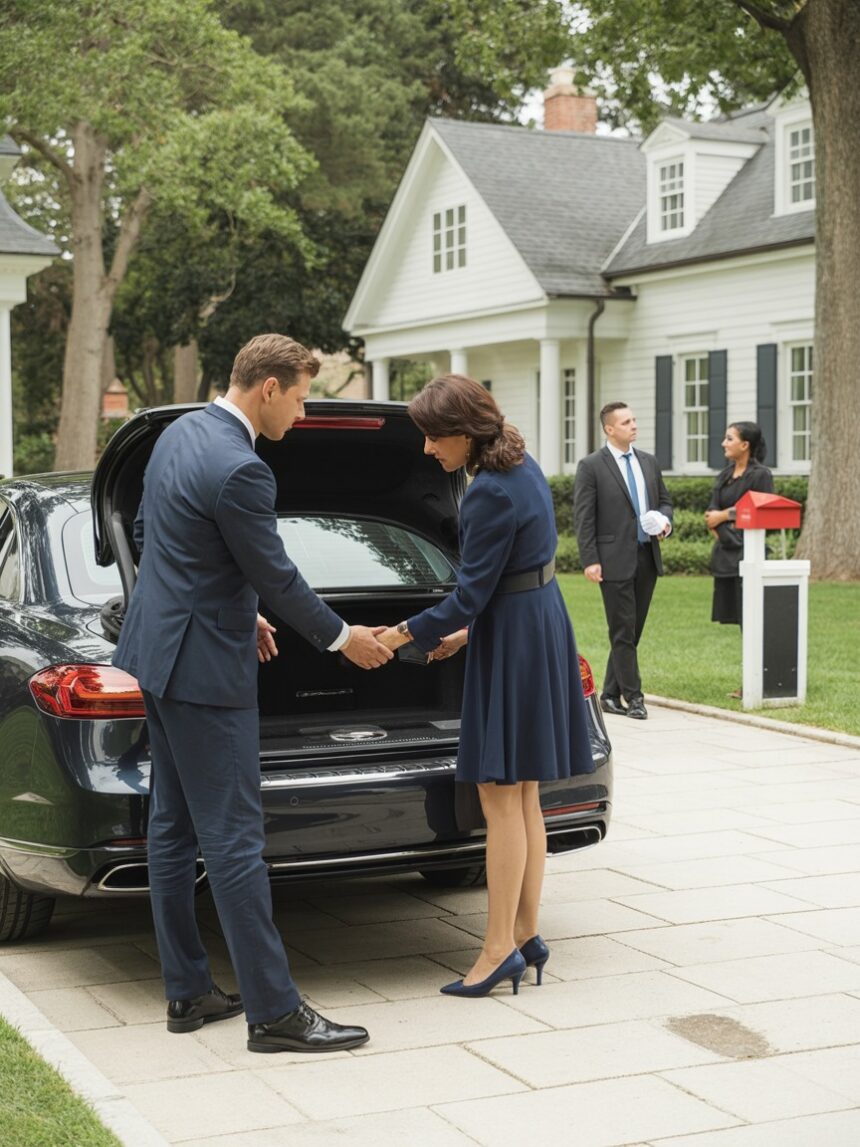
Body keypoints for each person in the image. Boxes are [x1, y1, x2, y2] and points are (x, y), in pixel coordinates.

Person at [113, 333, 392, 1054]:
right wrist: (342, 638)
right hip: (205, 673)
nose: (301, 414)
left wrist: (231, 606)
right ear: (268, 388)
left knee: (172, 829)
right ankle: (274, 1013)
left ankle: (187, 990)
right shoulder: (242, 466)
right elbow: (277, 574)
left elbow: (151, 534)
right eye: (299, 399)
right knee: (235, 840)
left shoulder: (177, 434)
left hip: (158, 656)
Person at [378, 375, 595, 998]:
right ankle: (526, 935)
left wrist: (398, 635)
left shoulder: (486, 492)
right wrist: (468, 634)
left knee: (500, 796)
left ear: (464, 432)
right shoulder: (522, 467)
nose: (427, 449)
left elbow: (470, 594)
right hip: (535, 625)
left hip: (514, 641)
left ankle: (498, 949)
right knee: (523, 794)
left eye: (433, 437)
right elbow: (516, 574)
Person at [574, 402, 673, 720]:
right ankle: (635, 697)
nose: (634, 425)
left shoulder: (648, 462)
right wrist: (590, 559)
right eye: (626, 421)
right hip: (612, 560)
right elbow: (584, 517)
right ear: (609, 429)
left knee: (631, 632)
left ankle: (608, 694)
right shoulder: (591, 466)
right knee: (622, 631)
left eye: (634, 419)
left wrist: (664, 522)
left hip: (647, 557)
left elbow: (665, 501)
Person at [704, 421, 774, 695]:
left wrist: (724, 516)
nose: (724, 443)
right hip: (726, 557)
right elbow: (710, 514)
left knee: (754, 621)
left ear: (745, 445)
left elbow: (759, 508)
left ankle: (759, 681)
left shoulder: (761, 475)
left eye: (729, 438)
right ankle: (752, 680)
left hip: (750, 556)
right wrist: (722, 523)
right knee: (742, 622)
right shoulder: (724, 475)